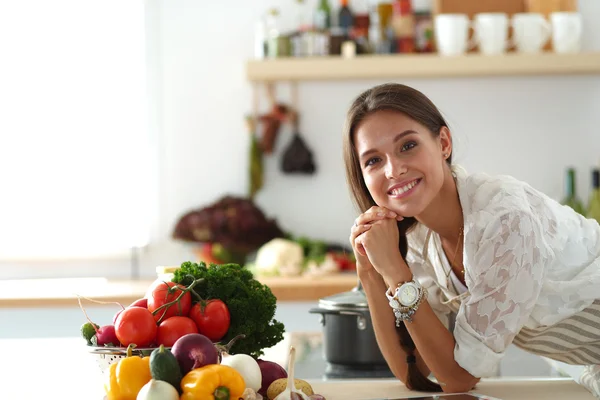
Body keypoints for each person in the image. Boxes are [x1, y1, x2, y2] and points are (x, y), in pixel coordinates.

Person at [343, 83, 600, 397]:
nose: (394, 170)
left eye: (408, 145)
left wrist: (395, 274)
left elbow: (460, 379)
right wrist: (370, 272)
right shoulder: (420, 239)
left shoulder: (505, 220)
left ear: (444, 143)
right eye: (373, 160)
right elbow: (417, 372)